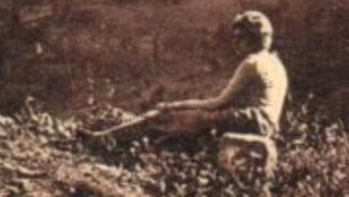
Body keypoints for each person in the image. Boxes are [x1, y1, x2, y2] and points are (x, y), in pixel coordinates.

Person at [85, 11, 289, 145]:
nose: (236, 44)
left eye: (240, 38)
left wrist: (173, 106)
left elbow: (217, 103)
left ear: (251, 39)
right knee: (182, 122)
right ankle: (107, 139)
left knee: (166, 118)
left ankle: (102, 140)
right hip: (266, 125)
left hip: (250, 122)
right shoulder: (276, 64)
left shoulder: (251, 63)